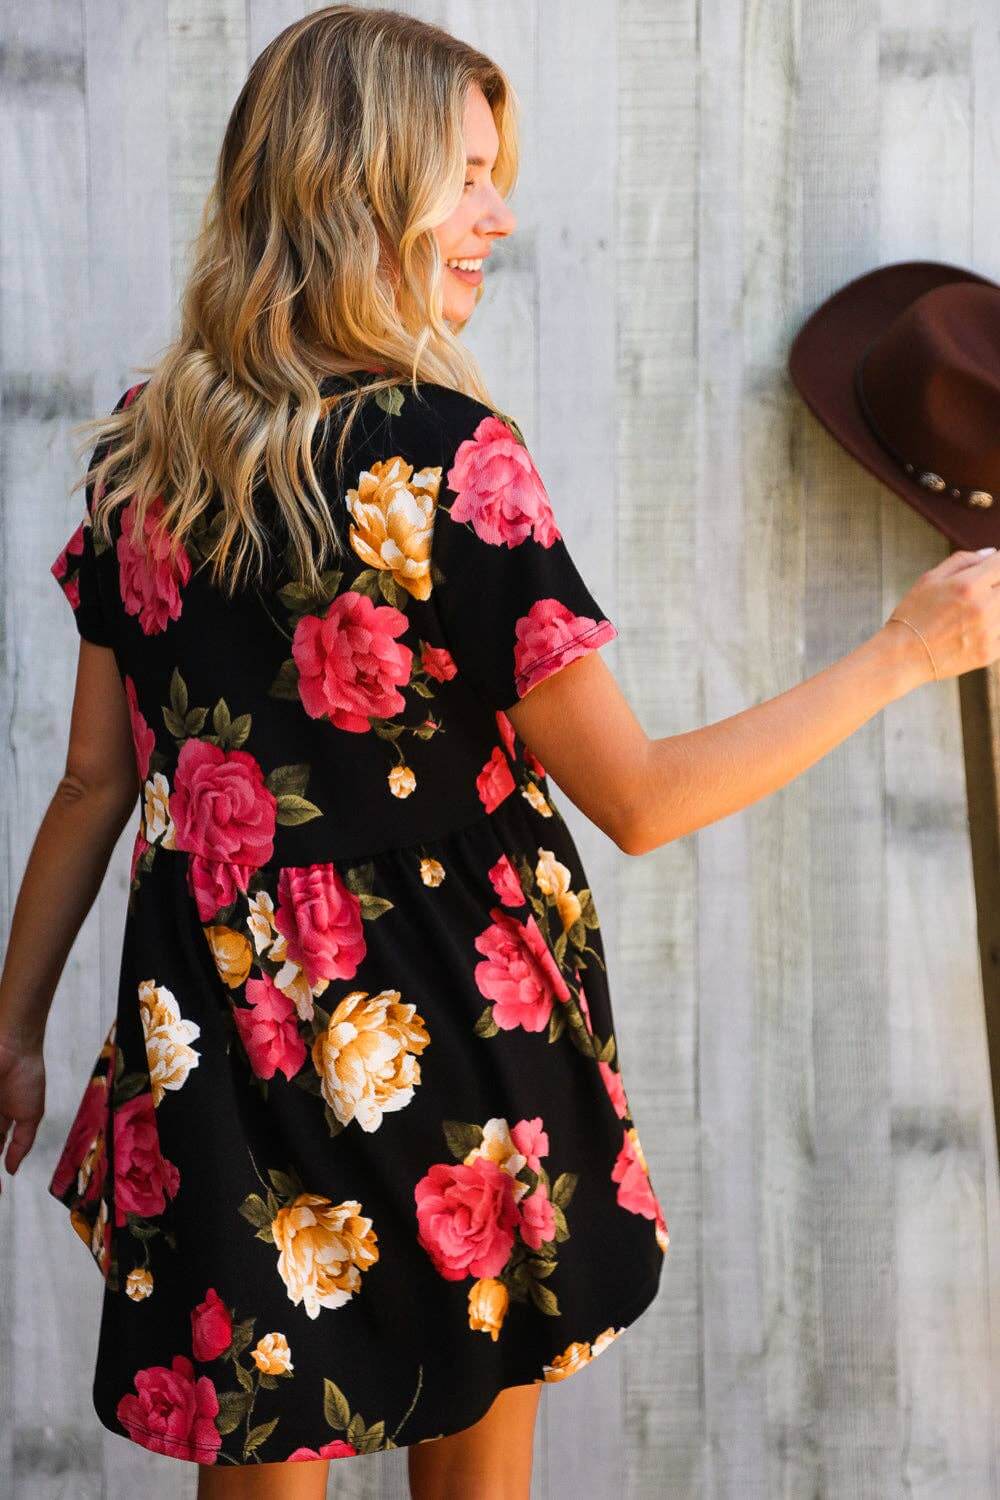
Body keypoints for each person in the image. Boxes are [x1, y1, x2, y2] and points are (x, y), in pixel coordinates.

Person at [1, 7, 999, 1499]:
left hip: (221, 1039)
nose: (498, 213)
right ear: (358, 184)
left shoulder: (150, 453)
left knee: (264, 1457)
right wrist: (903, 652)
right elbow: (643, 802)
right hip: (459, 1046)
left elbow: (96, 780)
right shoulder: (451, 457)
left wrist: (13, 1030)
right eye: (464, 173)